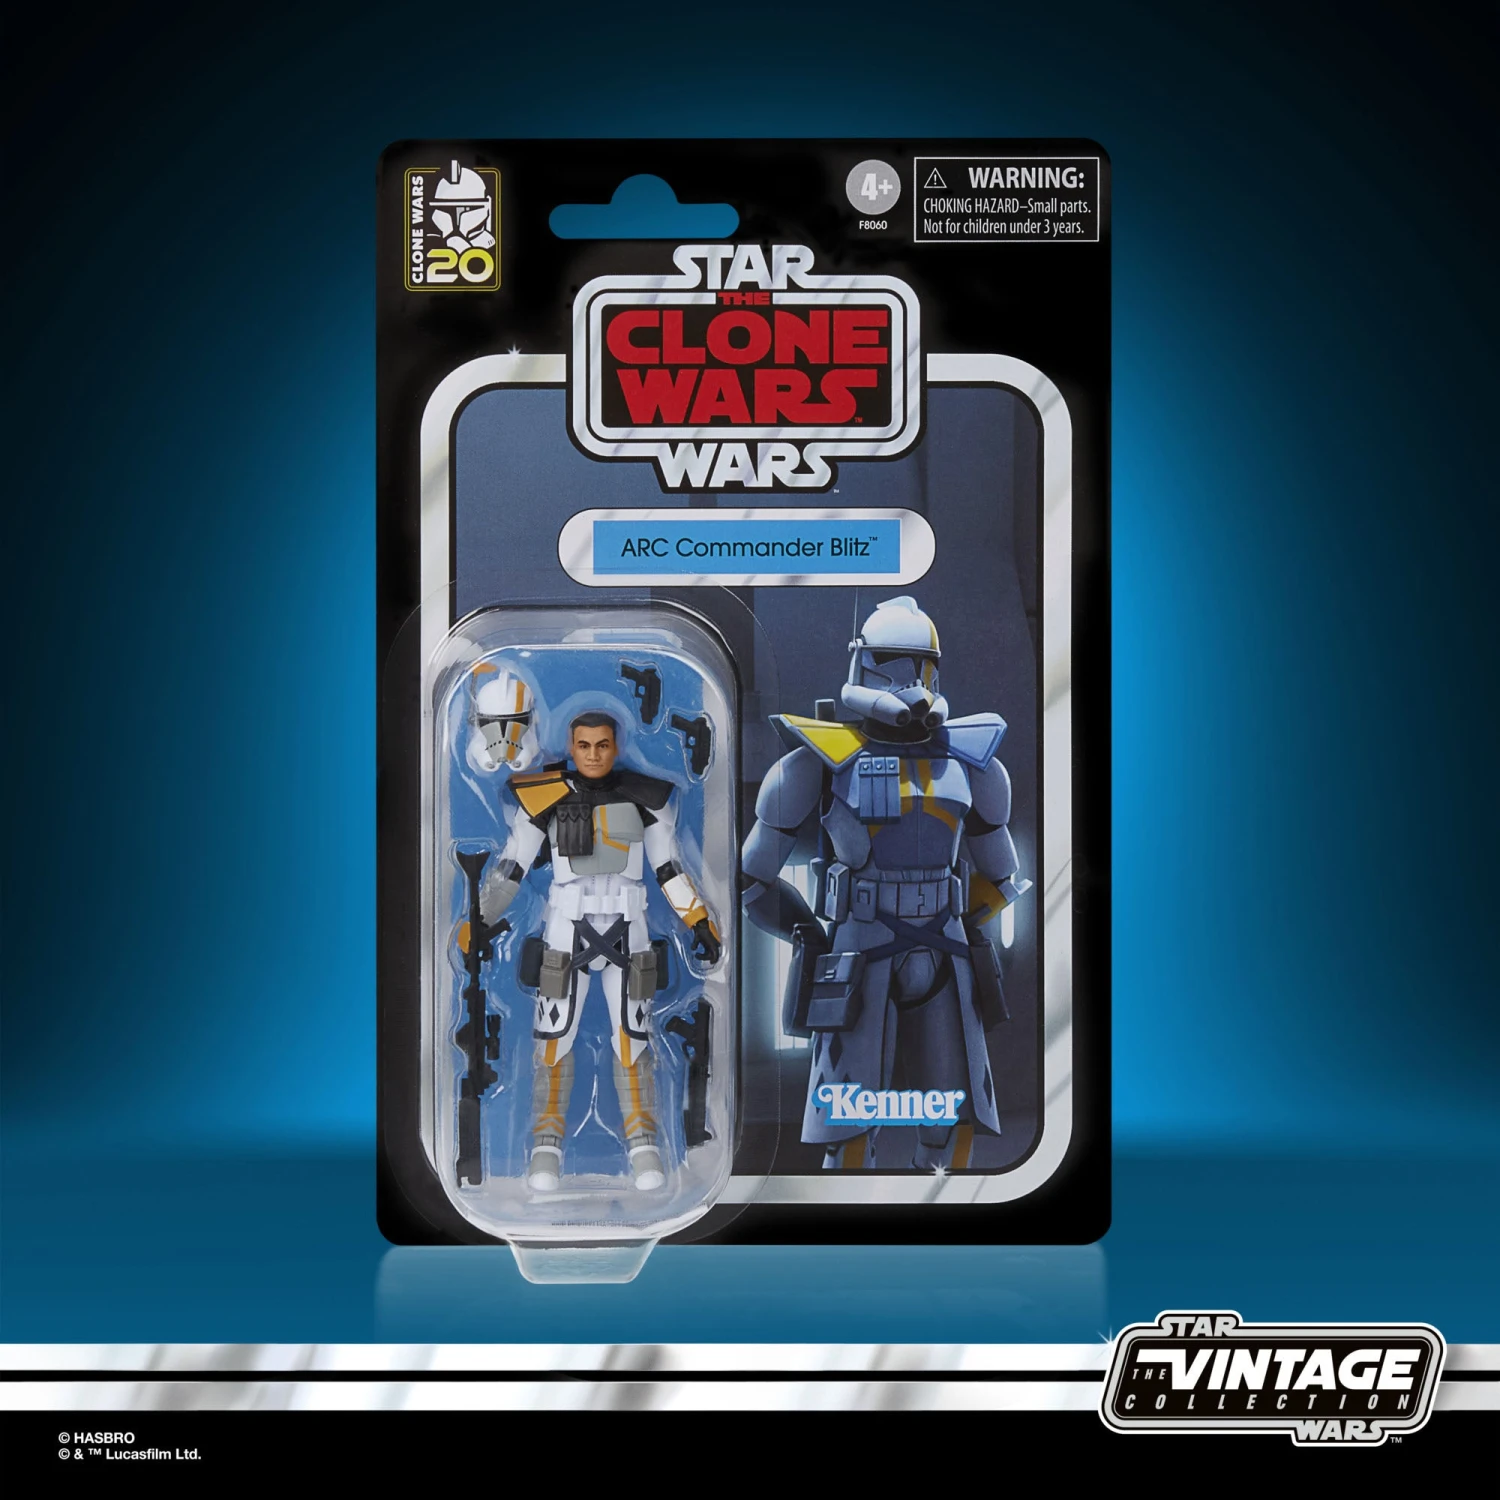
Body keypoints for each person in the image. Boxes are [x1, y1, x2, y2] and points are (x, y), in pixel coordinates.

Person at [741, 596, 1031, 1170]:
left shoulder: (974, 763)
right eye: (894, 666)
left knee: (953, 1121)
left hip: (946, 950)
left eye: (922, 668)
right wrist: (809, 933)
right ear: (864, 664)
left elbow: (1002, 875)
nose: (911, 684)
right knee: (847, 1125)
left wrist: (969, 924)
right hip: (859, 951)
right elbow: (751, 878)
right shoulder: (817, 761)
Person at [475, 710, 721, 1191]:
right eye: (584, 745)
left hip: (629, 931)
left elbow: (668, 869)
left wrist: (699, 922)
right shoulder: (543, 797)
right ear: (571, 746)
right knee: (554, 1038)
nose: (593, 754)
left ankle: (644, 1145)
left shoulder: (648, 799)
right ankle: (546, 1146)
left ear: (616, 745)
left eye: (602, 745)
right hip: (566, 931)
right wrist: (479, 921)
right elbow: (513, 865)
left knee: (634, 1038)